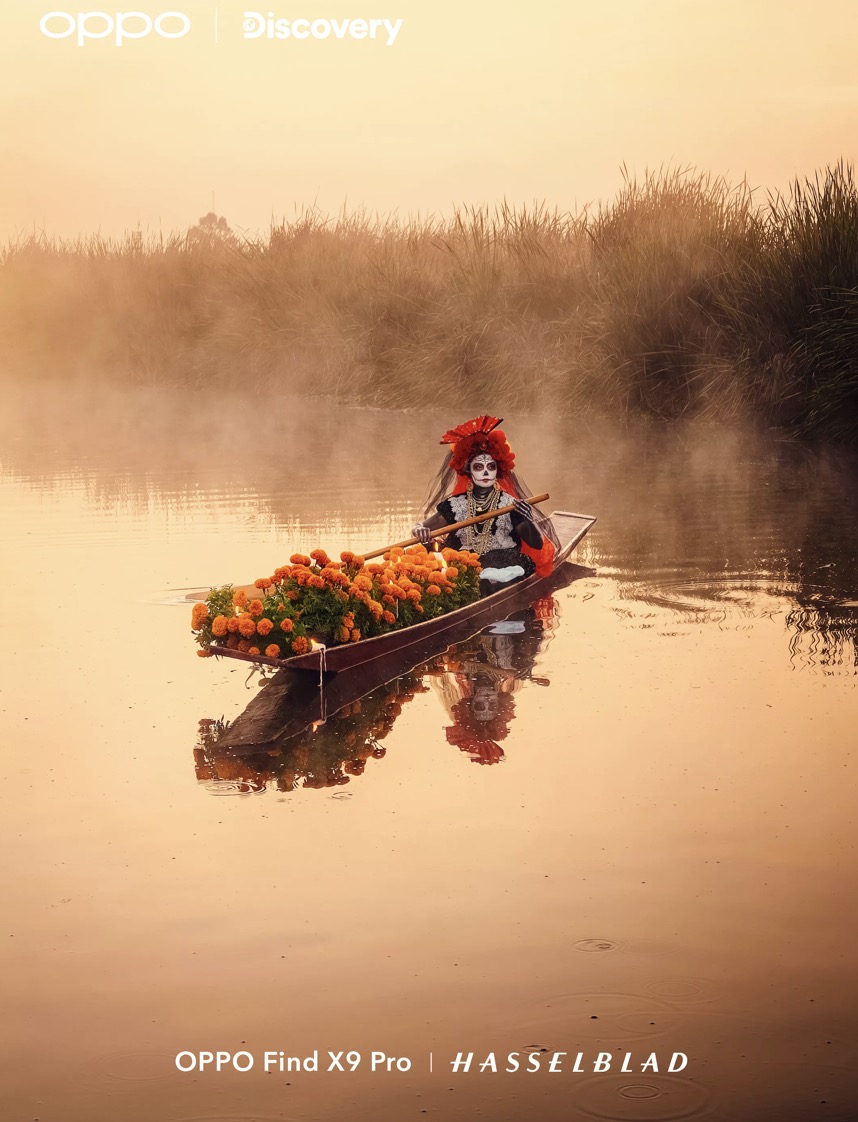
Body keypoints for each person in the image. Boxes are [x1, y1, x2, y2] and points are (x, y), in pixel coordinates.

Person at [409, 415, 557, 595]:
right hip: (463, 566)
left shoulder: (510, 505)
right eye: (478, 467)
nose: (486, 472)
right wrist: (418, 529)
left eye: (491, 467)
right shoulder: (455, 505)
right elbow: (423, 526)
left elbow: (536, 544)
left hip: (503, 565)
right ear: (468, 471)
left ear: (498, 470)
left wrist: (528, 518)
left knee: (490, 582)